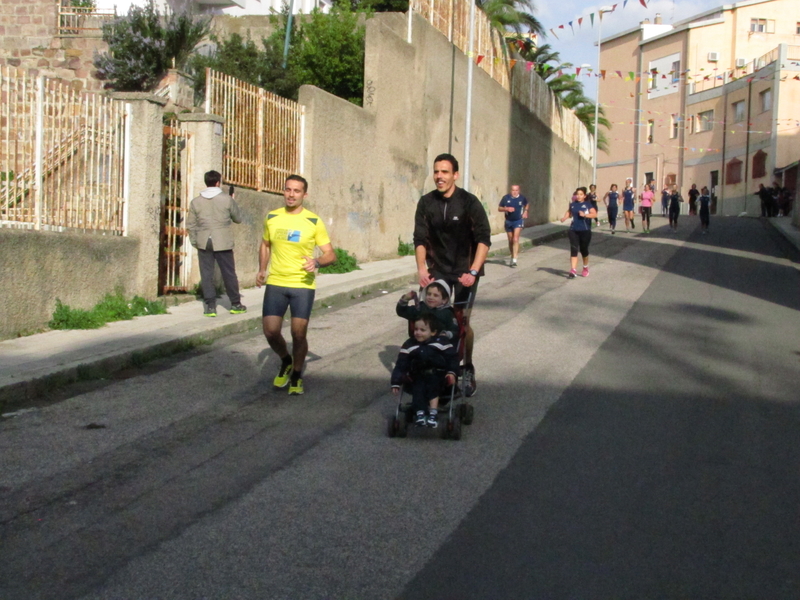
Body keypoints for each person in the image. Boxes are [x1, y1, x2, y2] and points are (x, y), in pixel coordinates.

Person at [413, 153, 491, 398]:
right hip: (438, 271)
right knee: (432, 320)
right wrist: (422, 269)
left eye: (445, 172)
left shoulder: (469, 202)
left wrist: (474, 271)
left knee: (462, 323)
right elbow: (419, 239)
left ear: (455, 175)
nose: (439, 177)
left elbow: (483, 239)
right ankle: (432, 368)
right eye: (436, 172)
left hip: (466, 272)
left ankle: (466, 367)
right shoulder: (426, 203)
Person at [256, 175, 337, 396]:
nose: (291, 194)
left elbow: (331, 254)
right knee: (271, 331)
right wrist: (262, 269)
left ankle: (297, 375)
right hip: (277, 282)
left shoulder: (313, 221)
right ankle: (286, 360)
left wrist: (317, 261)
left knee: (298, 333)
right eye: (288, 190)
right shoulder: (272, 217)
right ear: (284, 191)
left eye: (297, 191)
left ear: (304, 194)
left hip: (302, 285)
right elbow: (265, 244)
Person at [186, 170, 247, 318]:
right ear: (218, 182)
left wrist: (196, 241)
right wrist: (233, 201)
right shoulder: (226, 200)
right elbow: (238, 219)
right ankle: (235, 304)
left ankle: (210, 306)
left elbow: (191, 225)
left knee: (206, 274)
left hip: (204, 240)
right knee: (229, 273)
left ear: (206, 182)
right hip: (223, 241)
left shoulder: (196, 202)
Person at [391, 315, 459, 428]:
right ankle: (420, 413)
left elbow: (452, 358)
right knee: (418, 387)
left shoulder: (441, 343)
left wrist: (452, 372)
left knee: (433, 385)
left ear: (433, 332)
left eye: (422, 330)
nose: (418, 333)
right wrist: (396, 381)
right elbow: (401, 364)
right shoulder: (410, 344)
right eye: (416, 329)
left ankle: (433, 413)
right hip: (417, 375)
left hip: (438, 375)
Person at [560, 187, 597, 278]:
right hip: (573, 230)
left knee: (583, 250)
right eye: (577, 194)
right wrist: (565, 217)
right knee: (574, 249)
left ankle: (585, 267)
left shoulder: (588, 204)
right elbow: (569, 212)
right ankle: (573, 270)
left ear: (584, 196)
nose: (579, 196)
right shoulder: (573, 204)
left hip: (585, 230)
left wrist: (585, 215)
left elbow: (594, 214)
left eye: (581, 194)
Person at [497, 184, 528, 268]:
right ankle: (512, 255)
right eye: (513, 190)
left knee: (515, 239)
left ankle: (514, 259)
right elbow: (499, 208)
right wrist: (506, 209)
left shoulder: (522, 198)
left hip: (518, 220)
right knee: (511, 240)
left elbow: (527, 204)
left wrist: (525, 211)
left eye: (516, 190)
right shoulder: (506, 198)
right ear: (510, 190)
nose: (514, 192)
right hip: (508, 221)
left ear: (519, 191)